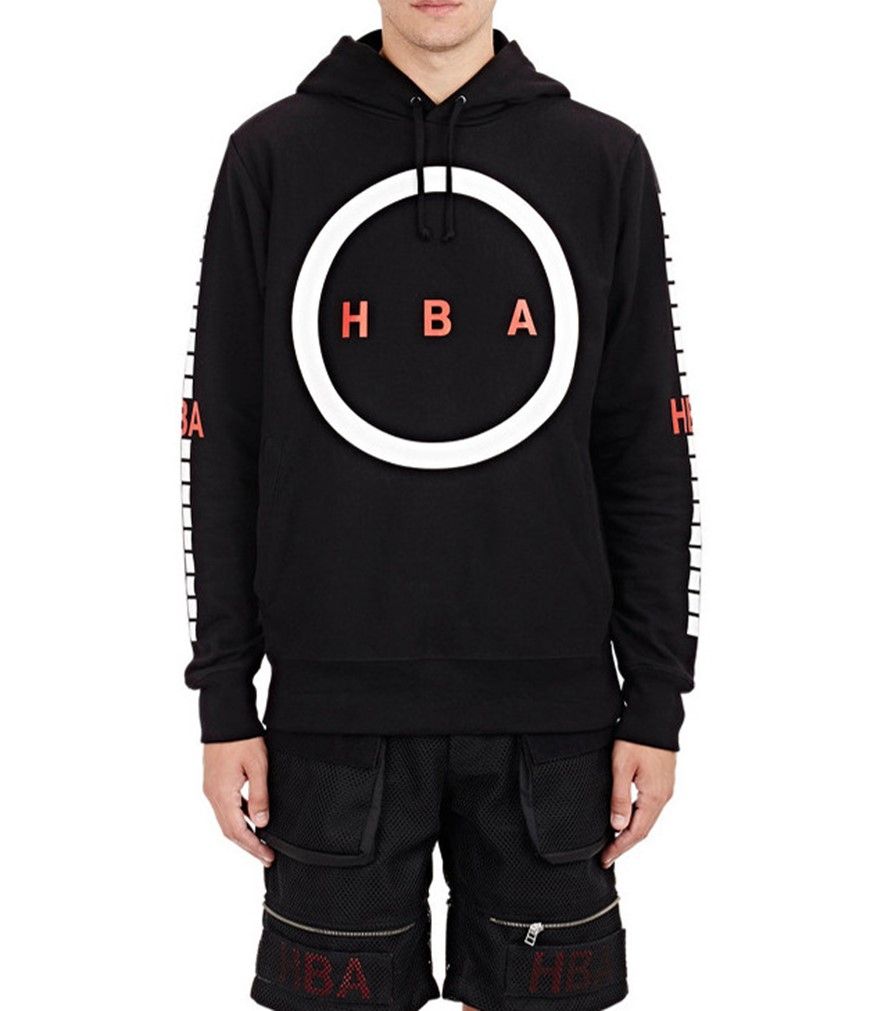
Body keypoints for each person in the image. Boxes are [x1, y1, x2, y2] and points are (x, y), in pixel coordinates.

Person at [180, 2, 701, 1009]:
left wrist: (657, 702)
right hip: (330, 717)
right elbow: (219, 441)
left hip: (558, 723)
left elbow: (650, 449)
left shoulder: (602, 161)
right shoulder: (271, 157)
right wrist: (223, 698)